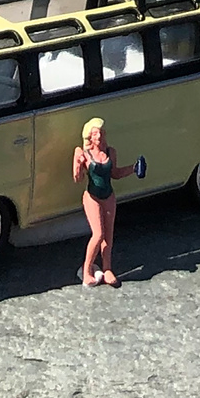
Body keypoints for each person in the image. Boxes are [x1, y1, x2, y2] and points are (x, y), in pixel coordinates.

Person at [72, 116, 141, 286]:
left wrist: (133, 168)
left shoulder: (110, 152)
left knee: (108, 235)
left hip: (108, 196)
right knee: (98, 233)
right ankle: (87, 269)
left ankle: (108, 268)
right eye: (95, 134)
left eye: (101, 133)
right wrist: (78, 164)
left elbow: (115, 174)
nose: (99, 136)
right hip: (92, 197)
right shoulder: (84, 154)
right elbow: (77, 178)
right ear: (89, 136)